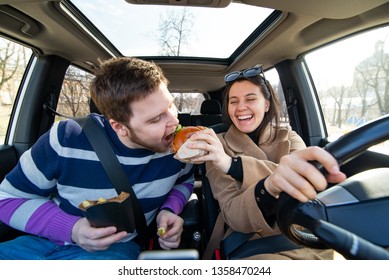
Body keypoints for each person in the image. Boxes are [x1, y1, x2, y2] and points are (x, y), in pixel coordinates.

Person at [0, 57, 194, 260]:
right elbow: (6, 199)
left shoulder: (179, 150)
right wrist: (72, 228)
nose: (174, 121)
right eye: (156, 119)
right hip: (37, 242)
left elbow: (185, 181)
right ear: (120, 127)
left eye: (171, 106)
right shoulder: (67, 138)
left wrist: (169, 210)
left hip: (115, 248)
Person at [188, 66, 347, 260]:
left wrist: (234, 166)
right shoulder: (216, 145)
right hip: (251, 241)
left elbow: (305, 183)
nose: (240, 107)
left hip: (303, 235)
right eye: (233, 101)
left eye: (250, 99)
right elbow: (234, 215)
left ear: (266, 104)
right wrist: (269, 185)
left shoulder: (288, 136)